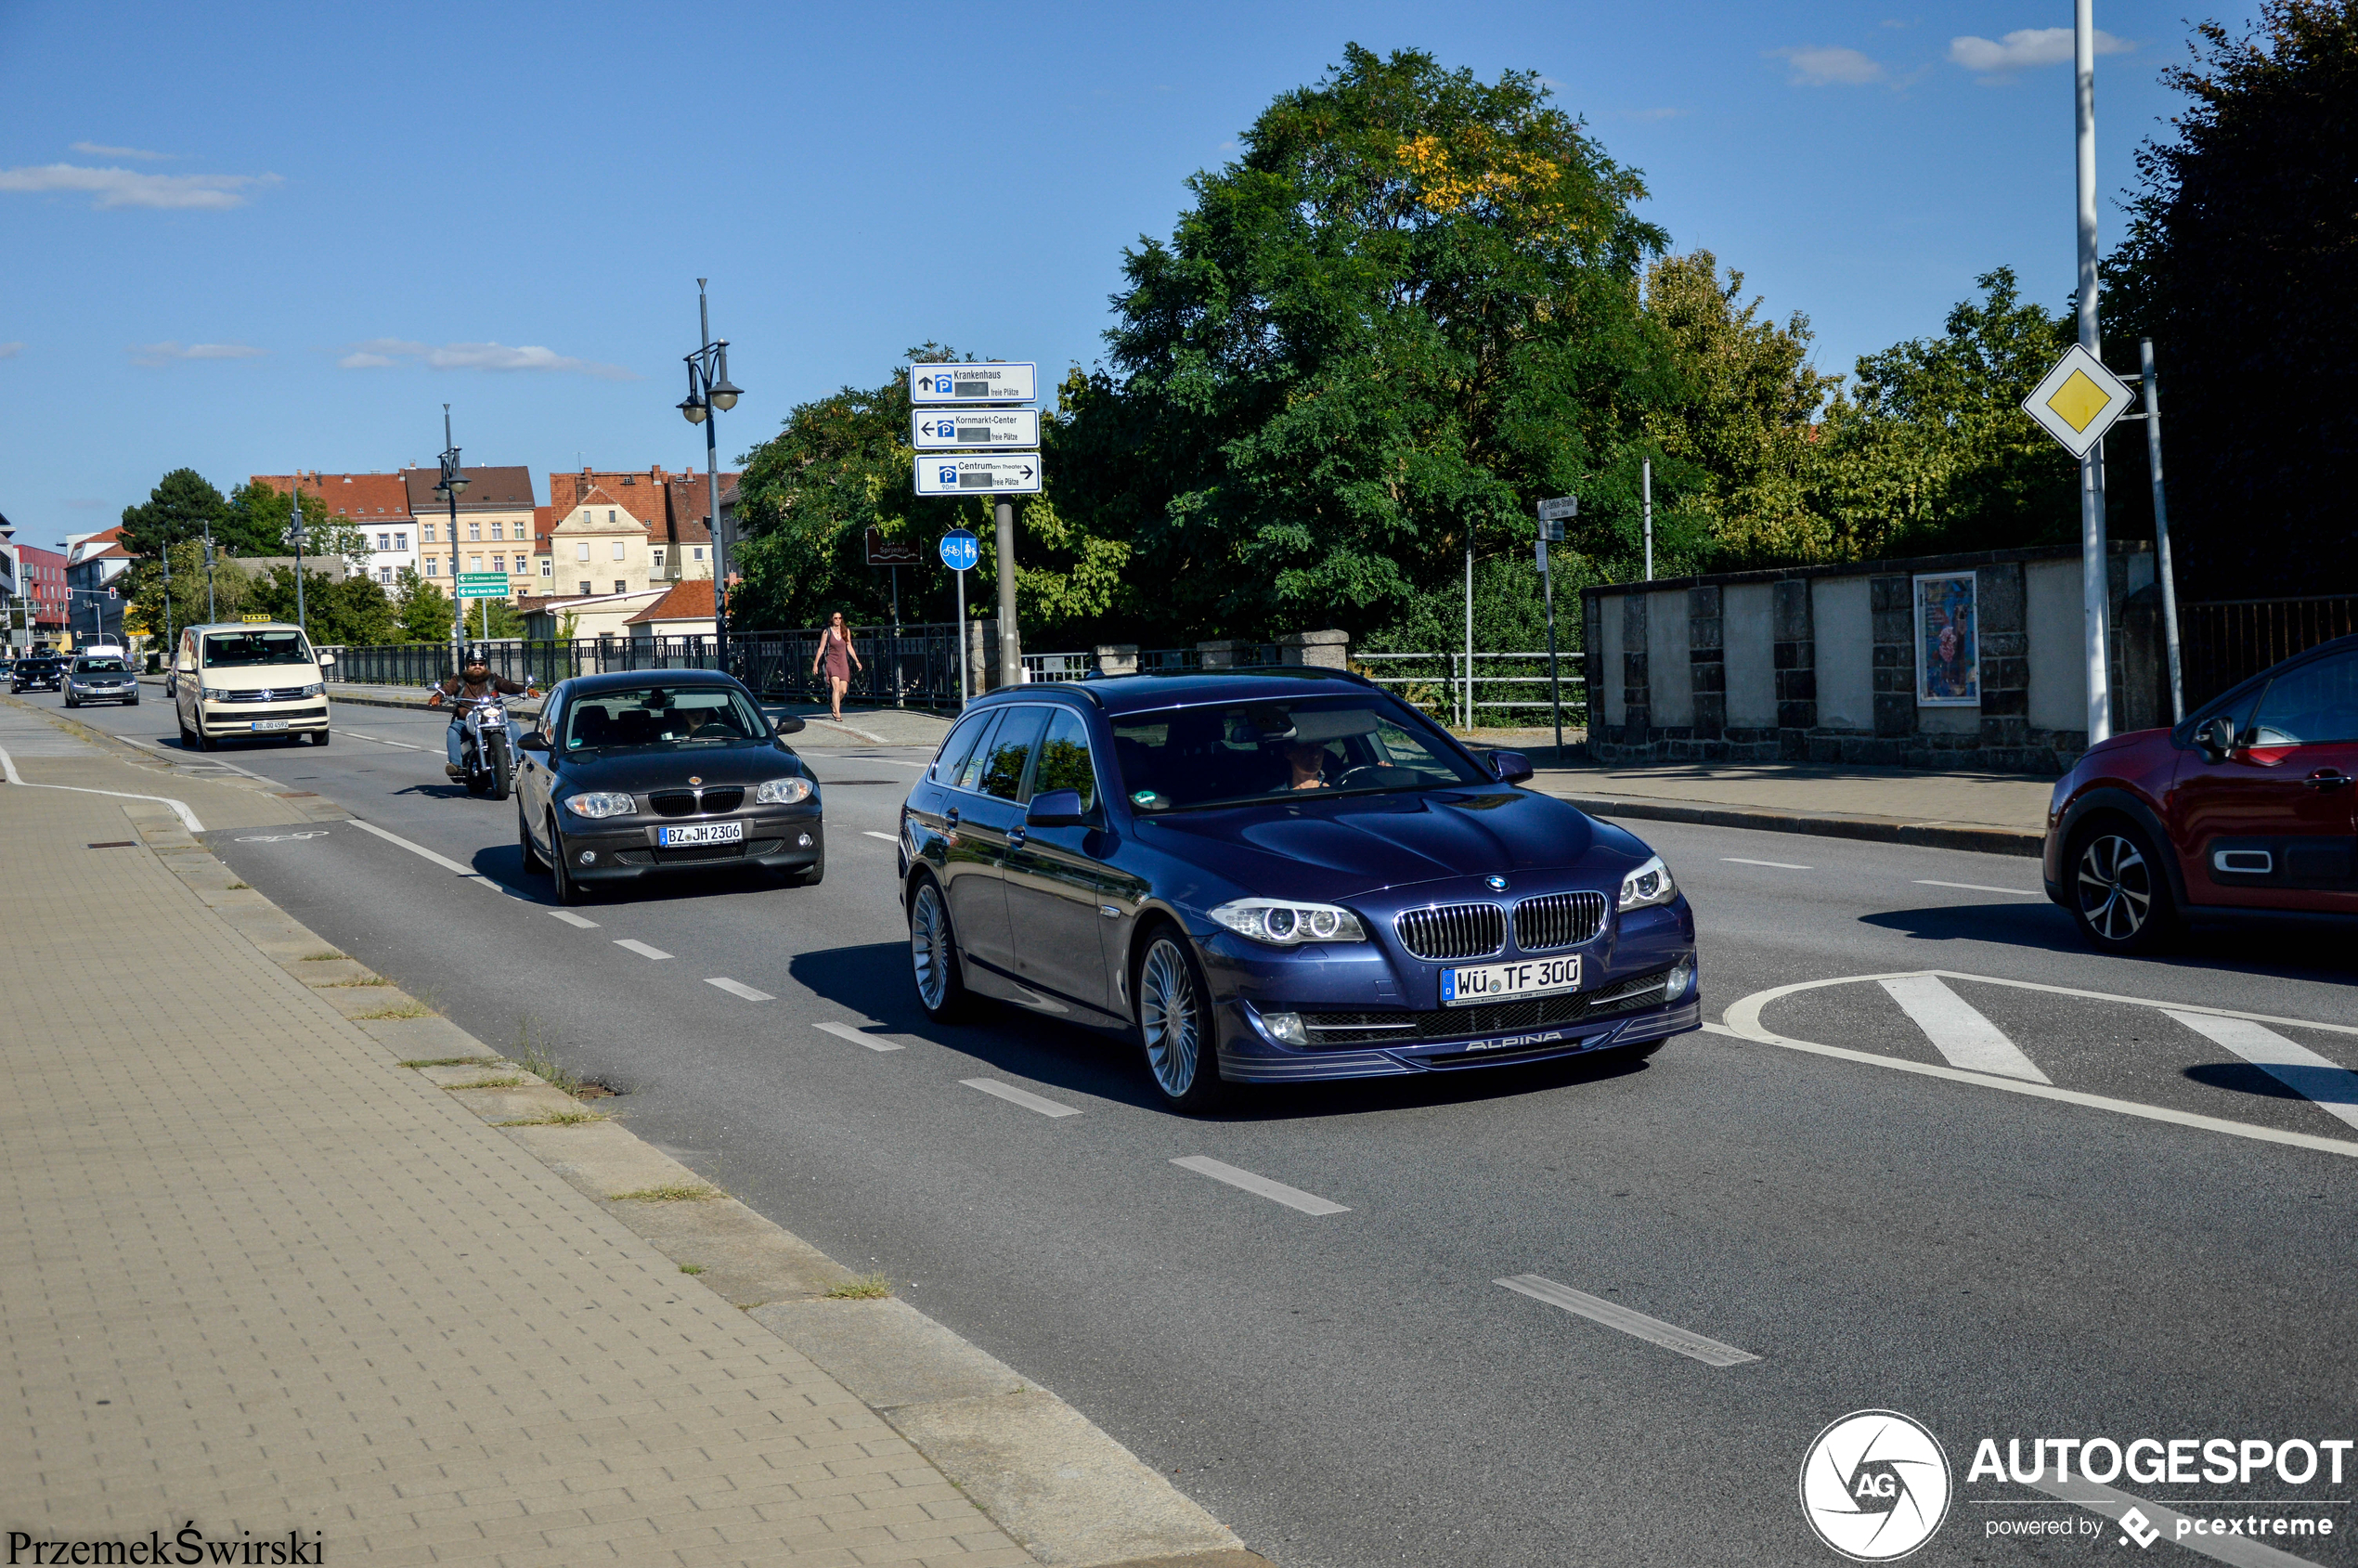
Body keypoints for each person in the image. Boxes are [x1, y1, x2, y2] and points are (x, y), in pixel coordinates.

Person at [426, 644, 539, 778]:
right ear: (468, 665)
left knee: (513, 726)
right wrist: (437, 696)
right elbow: (447, 689)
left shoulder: (492, 678)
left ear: (485, 665)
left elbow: (508, 685)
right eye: (474, 664)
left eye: (481, 663)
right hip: (467, 720)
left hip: (493, 718)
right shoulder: (459, 680)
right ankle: (455, 765)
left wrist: (525, 690)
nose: (477, 666)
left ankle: (518, 761)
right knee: (453, 730)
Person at [810, 611, 862, 722]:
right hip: (831, 661)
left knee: (843, 690)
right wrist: (815, 665)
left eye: (839, 618)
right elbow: (821, 649)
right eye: (835, 618)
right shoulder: (827, 632)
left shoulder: (845, 631)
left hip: (843, 662)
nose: (837, 620)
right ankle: (837, 713)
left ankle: (834, 703)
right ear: (832, 619)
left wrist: (856, 660)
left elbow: (849, 646)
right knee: (836, 687)